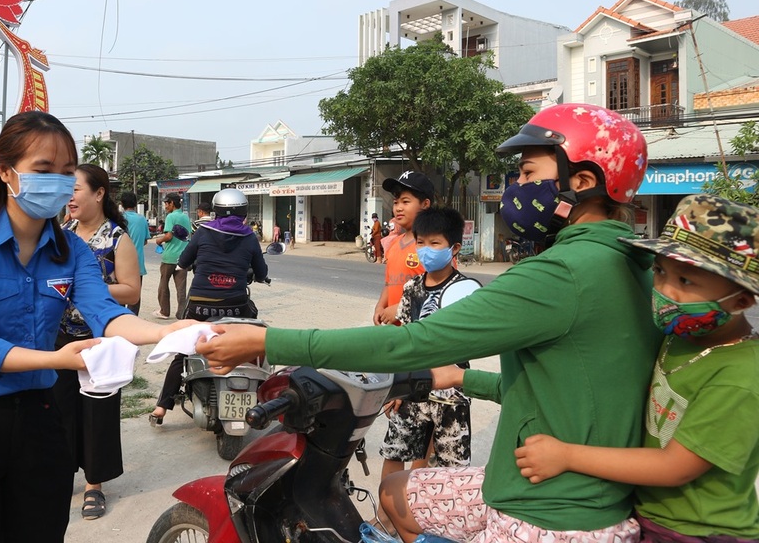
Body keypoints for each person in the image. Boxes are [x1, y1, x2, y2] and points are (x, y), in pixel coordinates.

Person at [197, 104, 660, 543]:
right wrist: (462, 376)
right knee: (398, 491)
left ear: (582, 181)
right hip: (562, 493)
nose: (516, 186)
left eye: (527, 173)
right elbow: (574, 388)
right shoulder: (631, 262)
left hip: (549, 516)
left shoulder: (562, 273)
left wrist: (267, 340)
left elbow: (414, 343)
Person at [0, 111, 180, 543]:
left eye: (66, 173)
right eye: (43, 170)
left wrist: (166, 332)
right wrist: (57, 358)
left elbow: (106, 312)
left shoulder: (72, 250)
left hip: (41, 417)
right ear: (5, 171)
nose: (59, 184)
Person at [515, 194, 759, 543]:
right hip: (649, 515)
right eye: (659, 271)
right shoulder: (679, 336)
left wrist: (566, 455)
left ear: (741, 300)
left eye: (686, 281)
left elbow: (674, 467)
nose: (664, 291)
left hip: (697, 531)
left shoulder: (738, 376)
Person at [53, 164, 141, 521]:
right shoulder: (62, 232)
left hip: (100, 339)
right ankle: (61, 475)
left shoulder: (117, 239)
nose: (69, 197)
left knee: (97, 414)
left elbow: (132, 290)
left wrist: (90, 289)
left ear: (99, 193)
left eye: (75, 189)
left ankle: (94, 485)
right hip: (59, 338)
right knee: (58, 410)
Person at [379, 207, 481, 502]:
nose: (425, 250)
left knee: (449, 471)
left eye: (435, 243)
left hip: (451, 394)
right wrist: (395, 387)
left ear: (454, 248)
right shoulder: (411, 288)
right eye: (420, 242)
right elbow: (406, 339)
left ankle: (435, 522)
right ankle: (385, 521)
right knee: (395, 452)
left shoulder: (466, 291)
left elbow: (469, 342)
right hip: (413, 389)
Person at [150, 188, 268, 426]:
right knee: (256, 342)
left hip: (201, 307)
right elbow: (262, 272)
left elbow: (183, 262)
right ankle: (265, 396)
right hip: (236, 307)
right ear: (244, 211)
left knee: (183, 352)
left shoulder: (203, 232)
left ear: (217, 211)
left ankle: (162, 407)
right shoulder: (249, 237)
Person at [373, 171, 435, 326]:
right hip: (395, 333)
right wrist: (380, 306)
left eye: (405, 202)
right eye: (396, 202)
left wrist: (402, 308)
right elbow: (389, 283)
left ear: (425, 204)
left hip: (420, 333)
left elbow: (441, 290)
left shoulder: (435, 245)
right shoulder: (394, 244)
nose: (398, 208)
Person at [152, 193, 191, 320]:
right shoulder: (186, 217)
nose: (165, 206)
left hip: (169, 257)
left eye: (166, 203)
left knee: (163, 284)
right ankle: (181, 313)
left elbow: (169, 236)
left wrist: (159, 240)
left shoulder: (171, 217)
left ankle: (164, 311)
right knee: (181, 288)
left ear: (172, 203)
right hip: (183, 258)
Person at [119, 191, 149, 315]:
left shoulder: (118, 218)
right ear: (135, 204)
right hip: (138, 265)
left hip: (120, 264)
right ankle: (133, 320)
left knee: (120, 296)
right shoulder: (142, 220)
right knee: (134, 296)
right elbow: (145, 241)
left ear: (121, 204)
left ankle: (119, 320)